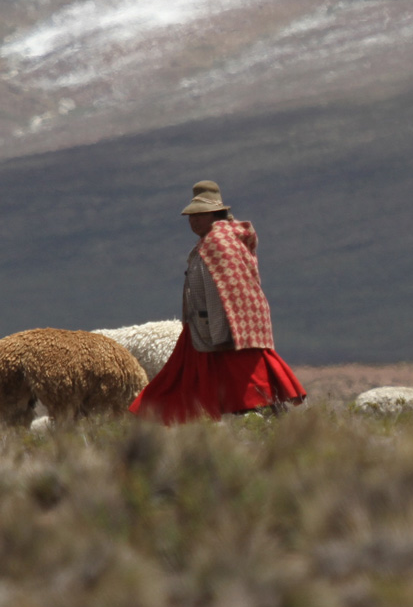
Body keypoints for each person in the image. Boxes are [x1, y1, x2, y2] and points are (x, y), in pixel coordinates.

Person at [129, 180, 307, 425]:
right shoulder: (221, 239)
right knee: (191, 378)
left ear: (215, 213)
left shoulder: (218, 242)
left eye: (199, 215)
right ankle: (156, 421)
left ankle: (153, 420)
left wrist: (219, 331)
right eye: (191, 216)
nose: (193, 221)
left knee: (228, 381)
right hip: (216, 328)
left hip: (221, 330)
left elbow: (226, 290)